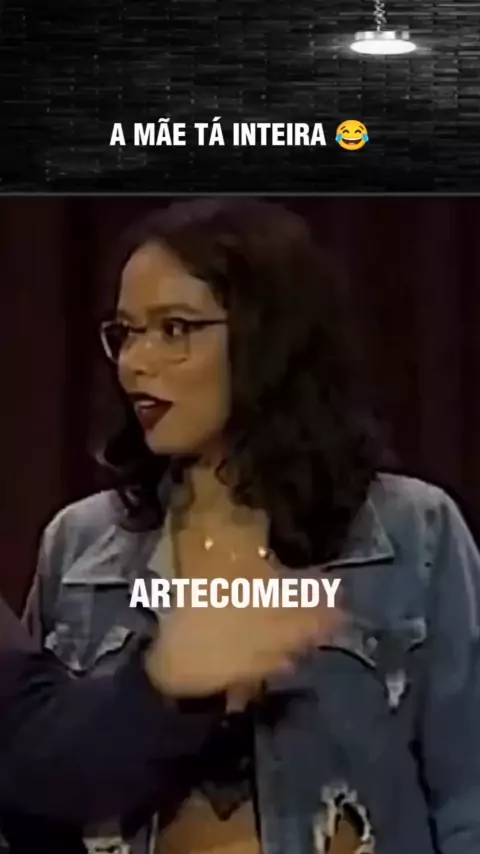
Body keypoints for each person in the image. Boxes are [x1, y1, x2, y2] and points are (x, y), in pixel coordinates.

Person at [22, 198, 480, 854]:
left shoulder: (414, 532)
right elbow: (36, 794)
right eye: (125, 332)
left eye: (175, 328)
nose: (134, 362)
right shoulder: (79, 544)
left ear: (268, 337)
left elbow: (469, 798)